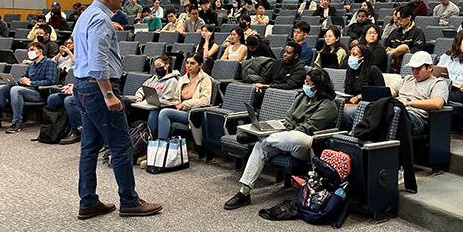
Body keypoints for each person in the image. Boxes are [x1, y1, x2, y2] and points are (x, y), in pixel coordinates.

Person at [71, 0, 162, 219]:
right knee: (122, 145)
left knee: (89, 148)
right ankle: (129, 201)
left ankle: (88, 201)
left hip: (83, 87)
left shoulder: (86, 16)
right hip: (99, 89)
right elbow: (98, 59)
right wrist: (109, 93)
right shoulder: (101, 20)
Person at [224, 69, 339, 210]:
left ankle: (261, 137)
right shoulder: (302, 97)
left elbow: (308, 128)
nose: (305, 85)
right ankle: (244, 192)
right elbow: (289, 117)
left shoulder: (328, 106)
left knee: (295, 138)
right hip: (285, 138)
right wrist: (284, 141)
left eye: (308, 83)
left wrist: (285, 141)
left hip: (308, 146)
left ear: (318, 86)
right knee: (260, 148)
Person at [0, 41, 57, 133]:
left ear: (40, 51)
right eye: (28, 50)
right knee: (1, 88)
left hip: (39, 93)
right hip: (26, 89)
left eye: (32, 50)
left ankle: (17, 123)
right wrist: (21, 80)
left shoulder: (50, 63)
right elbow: (21, 78)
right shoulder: (31, 65)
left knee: (16, 90)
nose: (29, 52)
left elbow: (50, 81)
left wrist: (31, 83)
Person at [156, 53, 213, 141]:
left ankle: (161, 144)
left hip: (194, 113)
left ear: (200, 65)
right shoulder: (183, 79)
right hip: (181, 111)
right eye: (187, 63)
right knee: (157, 110)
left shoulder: (205, 79)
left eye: (192, 63)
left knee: (165, 113)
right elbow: (176, 98)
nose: (189, 66)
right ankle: (153, 141)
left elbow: (205, 100)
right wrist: (176, 105)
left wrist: (184, 104)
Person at [391, 51, 449, 135]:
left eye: (418, 68)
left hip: (414, 117)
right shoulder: (407, 79)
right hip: (396, 110)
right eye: (413, 68)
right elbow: (389, 93)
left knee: (392, 120)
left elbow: (437, 103)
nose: (415, 72)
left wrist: (409, 103)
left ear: (430, 67)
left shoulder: (438, 83)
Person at [133, 55, 180, 140]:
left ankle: (149, 140)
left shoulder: (172, 81)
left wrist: (152, 102)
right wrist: (139, 99)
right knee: (128, 106)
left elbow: (168, 100)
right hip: (147, 106)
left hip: (160, 108)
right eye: (155, 66)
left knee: (154, 111)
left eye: (159, 65)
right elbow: (141, 89)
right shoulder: (153, 79)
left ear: (167, 65)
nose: (157, 68)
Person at [342, 45, 386, 129]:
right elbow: (349, 91)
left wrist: (359, 97)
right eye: (350, 54)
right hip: (354, 103)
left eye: (355, 55)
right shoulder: (350, 70)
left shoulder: (373, 70)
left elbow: (381, 93)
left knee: (344, 110)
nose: (351, 57)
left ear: (363, 58)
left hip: (371, 105)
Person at [437, 30, 463, 103]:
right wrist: (452, 83)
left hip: (461, 92)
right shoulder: (446, 56)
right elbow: (437, 73)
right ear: (458, 42)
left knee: (440, 95)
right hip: (443, 87)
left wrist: (448, 80)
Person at [385, 6, 426, 70]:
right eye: (398, 19)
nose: (399, 21)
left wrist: (398, 52)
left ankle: (385, 56)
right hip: (394, 60)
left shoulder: (417, 31)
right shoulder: (395, 31)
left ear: (409, 17)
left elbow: (417, 50)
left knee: (404, 47)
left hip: (410, 61)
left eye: (401, 19)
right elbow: (387, 45)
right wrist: (389, 49)